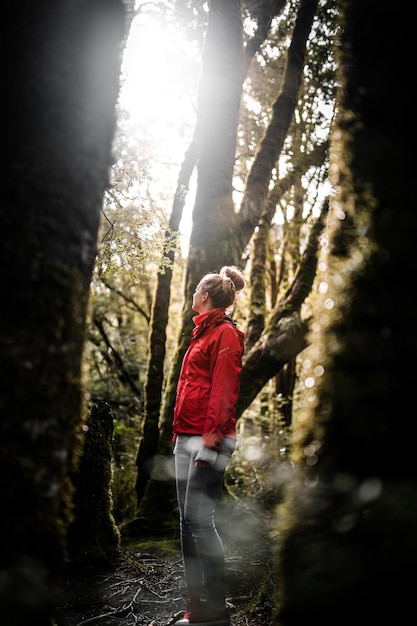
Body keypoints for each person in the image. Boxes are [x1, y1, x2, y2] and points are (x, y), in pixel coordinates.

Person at [172, 265, 245, 626]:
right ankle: (195, 606)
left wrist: (210, 442)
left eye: (196, 288)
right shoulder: (201, 334)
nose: (193, 293)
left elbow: (224, 392)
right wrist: (181, 438)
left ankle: (217, 608)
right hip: (185, 437)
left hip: (207, 440)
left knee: (200, 522)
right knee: (186, 523)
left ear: (204, 295)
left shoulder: (226, 335)